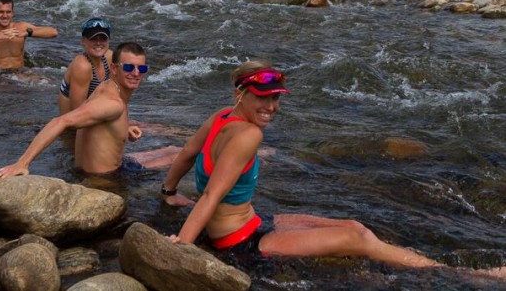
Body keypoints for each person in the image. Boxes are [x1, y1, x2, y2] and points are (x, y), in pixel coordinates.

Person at [161, 61, 505, 278]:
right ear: (240, 93)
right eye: (261, 97)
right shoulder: (249, 134)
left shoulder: (221, 116)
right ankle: (469, 274)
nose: (271, 106)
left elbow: (188, 153)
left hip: (253, 222)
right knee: (357, 238)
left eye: (275, 97)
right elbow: (212, 194)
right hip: (241, 243)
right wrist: (183, 247)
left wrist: (169, 192)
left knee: (355, 225)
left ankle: (431, 265)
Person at [0, 42, 149, 179]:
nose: (136, 73)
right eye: (128, 67)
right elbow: (61, 121)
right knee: (171, 155)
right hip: (104, 181)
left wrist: (123, 128)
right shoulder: (113, 104)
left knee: (170, 152)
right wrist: (22, 163)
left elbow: (98, 118)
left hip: (86, 171)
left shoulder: (106, 86)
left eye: (141, 68)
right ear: (114, 69)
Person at [58, 17, 114, 115]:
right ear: (83, 41)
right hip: (73, 125)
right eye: (93, 38)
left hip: (92, 114)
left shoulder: (109, 57)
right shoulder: (82, 66)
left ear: (108, 40)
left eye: (103, 38)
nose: (98, 43)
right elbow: (77, 114)